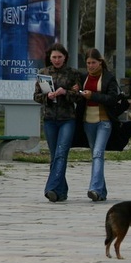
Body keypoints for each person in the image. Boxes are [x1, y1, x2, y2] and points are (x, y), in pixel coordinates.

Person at [33, 43, 82, 203]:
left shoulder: (73, 73)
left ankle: (51, 188)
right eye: (54, 57)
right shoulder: (43, 73)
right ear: (50, 58)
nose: (57, 60)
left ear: (65, 57)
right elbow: (36, 96)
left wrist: (65, 92)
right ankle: (61, 192)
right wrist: (48, 97)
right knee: (55, 156)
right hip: (49, 119)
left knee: (61, 153)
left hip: (67, 119)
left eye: (59, 57)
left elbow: (78, 96)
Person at [76, 48, 120, 202]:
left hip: (104, 121)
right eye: (88, 63)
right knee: (95, 156)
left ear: (100, 62)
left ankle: (94, 188)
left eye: (93, 62)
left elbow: (112, 99)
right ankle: (101, 192)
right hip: (88, 121)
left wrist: (93, 95)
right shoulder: (83, 77)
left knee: (98, 153)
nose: (90, 66)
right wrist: (78, 92)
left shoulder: (108, 78)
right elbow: (79, 98)